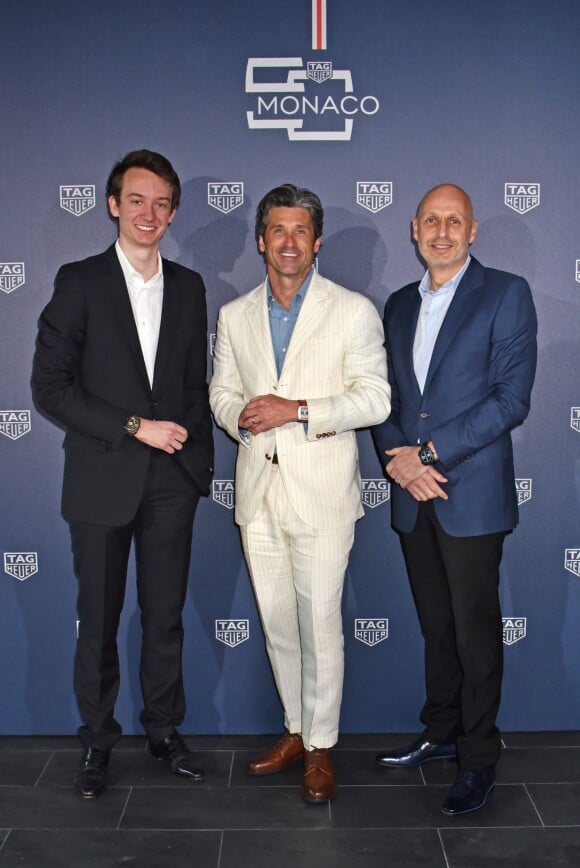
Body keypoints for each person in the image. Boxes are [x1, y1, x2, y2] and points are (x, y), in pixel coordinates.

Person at [31, 149, 214, 798]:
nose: (150, 214)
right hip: (101, 477)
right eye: (137, 200)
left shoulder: (190, 287)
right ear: (113, 205)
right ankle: (97, 742)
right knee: (100, 618)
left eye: (163, 203)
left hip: (172, 483)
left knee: (165, 617)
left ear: (173, 213)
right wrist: (136, 426)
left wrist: (196, 466)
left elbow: (195, 383)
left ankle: (165, 732)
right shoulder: (78, 282)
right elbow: (49, 389)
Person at [209, 184, 390, 803]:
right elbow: (222, 395)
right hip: (258, 491)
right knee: (279, 625)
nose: (289, 242)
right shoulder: (234, 316)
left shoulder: (354, 311)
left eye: (301, 231)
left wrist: (299, 410)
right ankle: (293, 728)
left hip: (321, 494)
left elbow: (375, 399)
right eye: (278, 231)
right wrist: (245, 417)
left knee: (320, 625)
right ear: (261, 241)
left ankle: (321, 746)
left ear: (316, 242)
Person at [372, 184, 537, 815]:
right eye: (431, 220)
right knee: (437, 628)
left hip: (467, 492)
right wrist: (399, 461)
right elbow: (381, 395)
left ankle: (478, 757)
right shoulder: (396, 305)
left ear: (472, 233)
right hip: (414, 493)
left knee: (474, 633)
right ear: (414, 229)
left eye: (455, 221)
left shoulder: (506, 293)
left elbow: (509, 401)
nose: (441, 231)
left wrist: (428, 456)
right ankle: (440, 732)